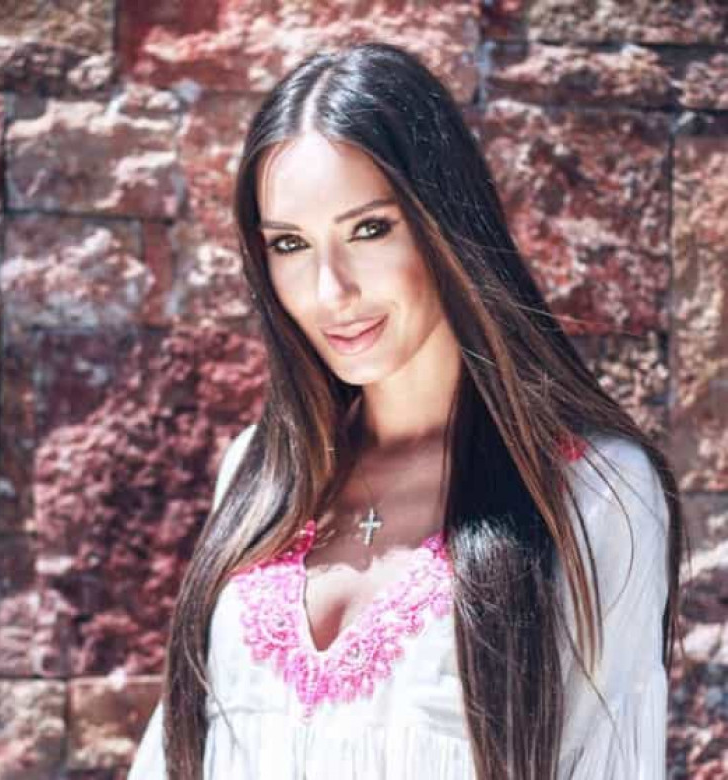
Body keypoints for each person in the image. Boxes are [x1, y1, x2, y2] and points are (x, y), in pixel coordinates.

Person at [127, 41, 686, 779]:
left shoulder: (592, 493)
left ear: (443, 223)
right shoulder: (259, 472)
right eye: (290, 244)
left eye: (369, 229)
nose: (330, 290)